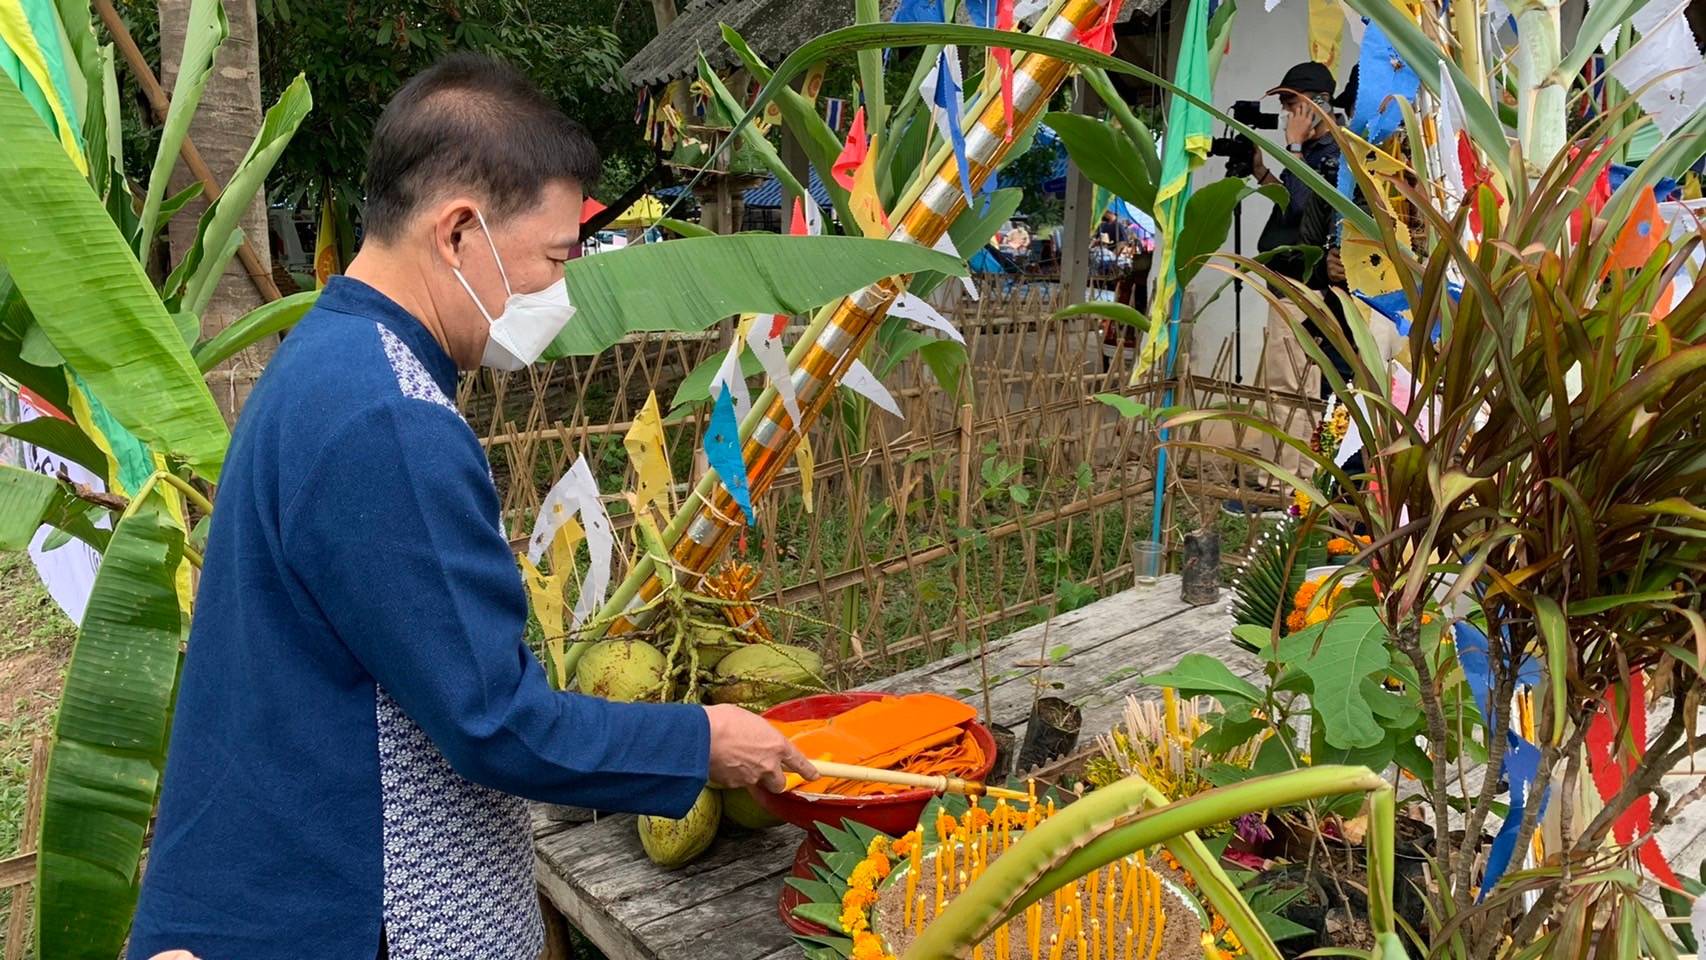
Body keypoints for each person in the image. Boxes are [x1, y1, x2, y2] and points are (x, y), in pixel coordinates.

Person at [127, 54, 815, 960]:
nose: (561, 294)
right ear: (459, 233)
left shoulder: (336, 355)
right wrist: (699, 742)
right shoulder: (389, 420)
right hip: (345, 908)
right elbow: (495, 719)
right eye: (556, 258)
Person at [1227, 61, 1348, 515]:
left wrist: (1294, 149)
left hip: (1305, 286)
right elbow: (1289, 199)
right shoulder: (1310, 154)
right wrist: (1262, 171)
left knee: (1290, 386)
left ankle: (1283, 489)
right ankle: (1279, 481)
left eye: (1291, 103)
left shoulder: (1330, 154)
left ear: (1318, 106)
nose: (1286, 112)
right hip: (1286, 284)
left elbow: (1306, 211)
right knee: (1280, 384)